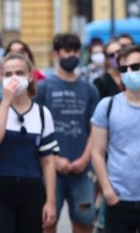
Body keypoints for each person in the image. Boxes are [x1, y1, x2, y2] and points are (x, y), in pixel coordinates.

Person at [0, 53, 58, 233]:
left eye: (19, 72)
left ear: (30, 75)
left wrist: (51, 201)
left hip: (31, 190)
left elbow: (48, 161)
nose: (14, 78)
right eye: (8, 74)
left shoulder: (42, 113)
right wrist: (6, 102)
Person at [90, 45, 140, 233]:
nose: (129, 72)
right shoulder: (107, 106)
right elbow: (96, 152)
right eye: (123, 69)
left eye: (135, 67)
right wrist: (108, 191)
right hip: (118, 199)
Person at [36, 33, 99, 233]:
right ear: (56, 54)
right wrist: (54, 159)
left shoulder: (89, 90)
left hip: (81, 170)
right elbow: (36, 130)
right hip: (49, 169)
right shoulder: (44, 87)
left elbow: (95, 130)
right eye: (67, 51)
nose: (71, 55)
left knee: (84, 222)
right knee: (48, 221)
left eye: (75, 51)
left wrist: (85, 158)